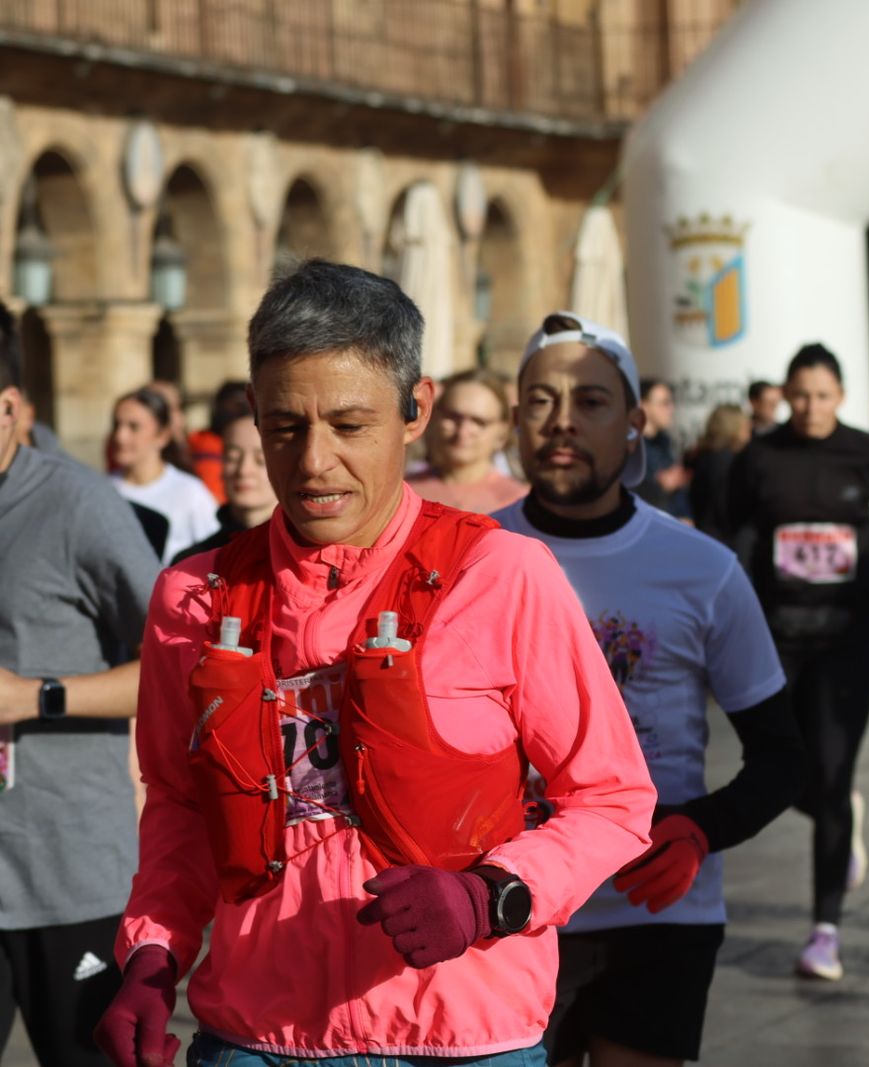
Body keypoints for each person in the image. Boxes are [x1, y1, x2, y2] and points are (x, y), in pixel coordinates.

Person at [94, 260, 656, 1067]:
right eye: (285, 426)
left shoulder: (503, 577)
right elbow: (180, 807)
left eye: (350, 425)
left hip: (466, 1039)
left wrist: (489, 894)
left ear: (415, 409)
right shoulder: (192, 595)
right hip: (253, 1035)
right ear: (252, 413)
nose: (314, 461)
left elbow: (611, 797)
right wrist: (151, 959)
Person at [492, 311, 804, 1067]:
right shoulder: (472, 558)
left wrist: (701, 829)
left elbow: (781, 756)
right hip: (508, 909)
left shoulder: (701, 567)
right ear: (515, 418)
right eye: (540, 400)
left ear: (635, 423)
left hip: (658, 914)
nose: (562, 421)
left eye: (591, 402)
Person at [0, 304, 161, 1066]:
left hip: (70, 875)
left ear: (9, 408)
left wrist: (37, 695)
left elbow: (178, 664)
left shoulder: (79, 504)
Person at [729, 343, 869, 981]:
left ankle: (825, 932)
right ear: (785, 396)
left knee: (834, 759)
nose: (812, 407)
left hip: (848, 640)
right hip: (776, 638)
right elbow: (729, 540)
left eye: (823, 396)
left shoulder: (868, 452)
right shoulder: (759, 458)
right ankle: (838, 811)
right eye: (801, 396)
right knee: (782, 769)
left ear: (840, 397)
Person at [108, 386, 221, 563]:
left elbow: (215, 555)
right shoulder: (103, 489)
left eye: (134, 427)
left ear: (162, 435)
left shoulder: (189, 492)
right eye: (117, 424)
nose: (120, 436)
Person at [407, 367, 529, 514]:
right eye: (453, 417)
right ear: (434, 418)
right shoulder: (404, 494)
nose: (463, 431)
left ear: (502, 433)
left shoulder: (518, 503)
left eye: (479, 422)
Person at [173, 413, 280, 563]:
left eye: (260, 460)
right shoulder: (192, 562)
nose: (243, 470)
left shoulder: (303, 557)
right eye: (232, 458)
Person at [687, 403, 750, 547]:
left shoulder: (705, 456)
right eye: (745, 425)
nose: (749, 430)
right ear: (732, 428)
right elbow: (725, 508)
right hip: (721, 541)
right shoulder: (724, 461)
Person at [636, 379, 690, 519]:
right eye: (664, 403)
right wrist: (659, 486)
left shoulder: (665, 442)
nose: (671, 409)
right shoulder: (628, 449)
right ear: (643, 405)